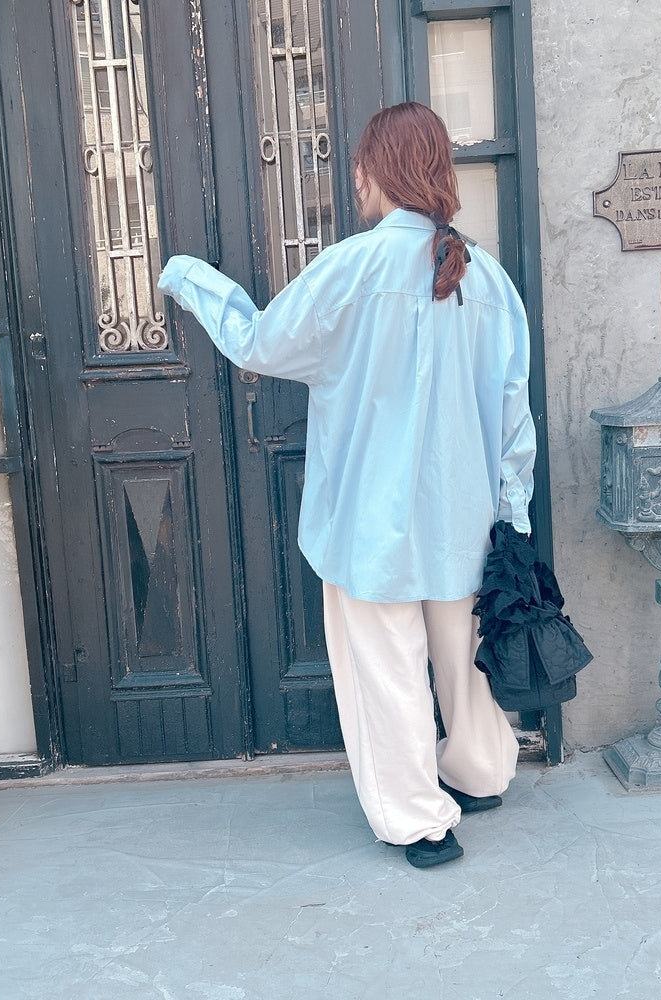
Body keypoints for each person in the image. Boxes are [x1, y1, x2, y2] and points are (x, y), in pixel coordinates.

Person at [158, 101, 536, 869]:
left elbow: (260, 344)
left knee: (386, 671)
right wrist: (512, 512)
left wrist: (189, 277)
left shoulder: (352, 267)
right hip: (464, 516)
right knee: (463, 656)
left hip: (371, 518)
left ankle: (422, 822)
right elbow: (512, 413)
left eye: (360, 168)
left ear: (373, 170)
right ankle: (480, 773)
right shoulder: (486, 277)